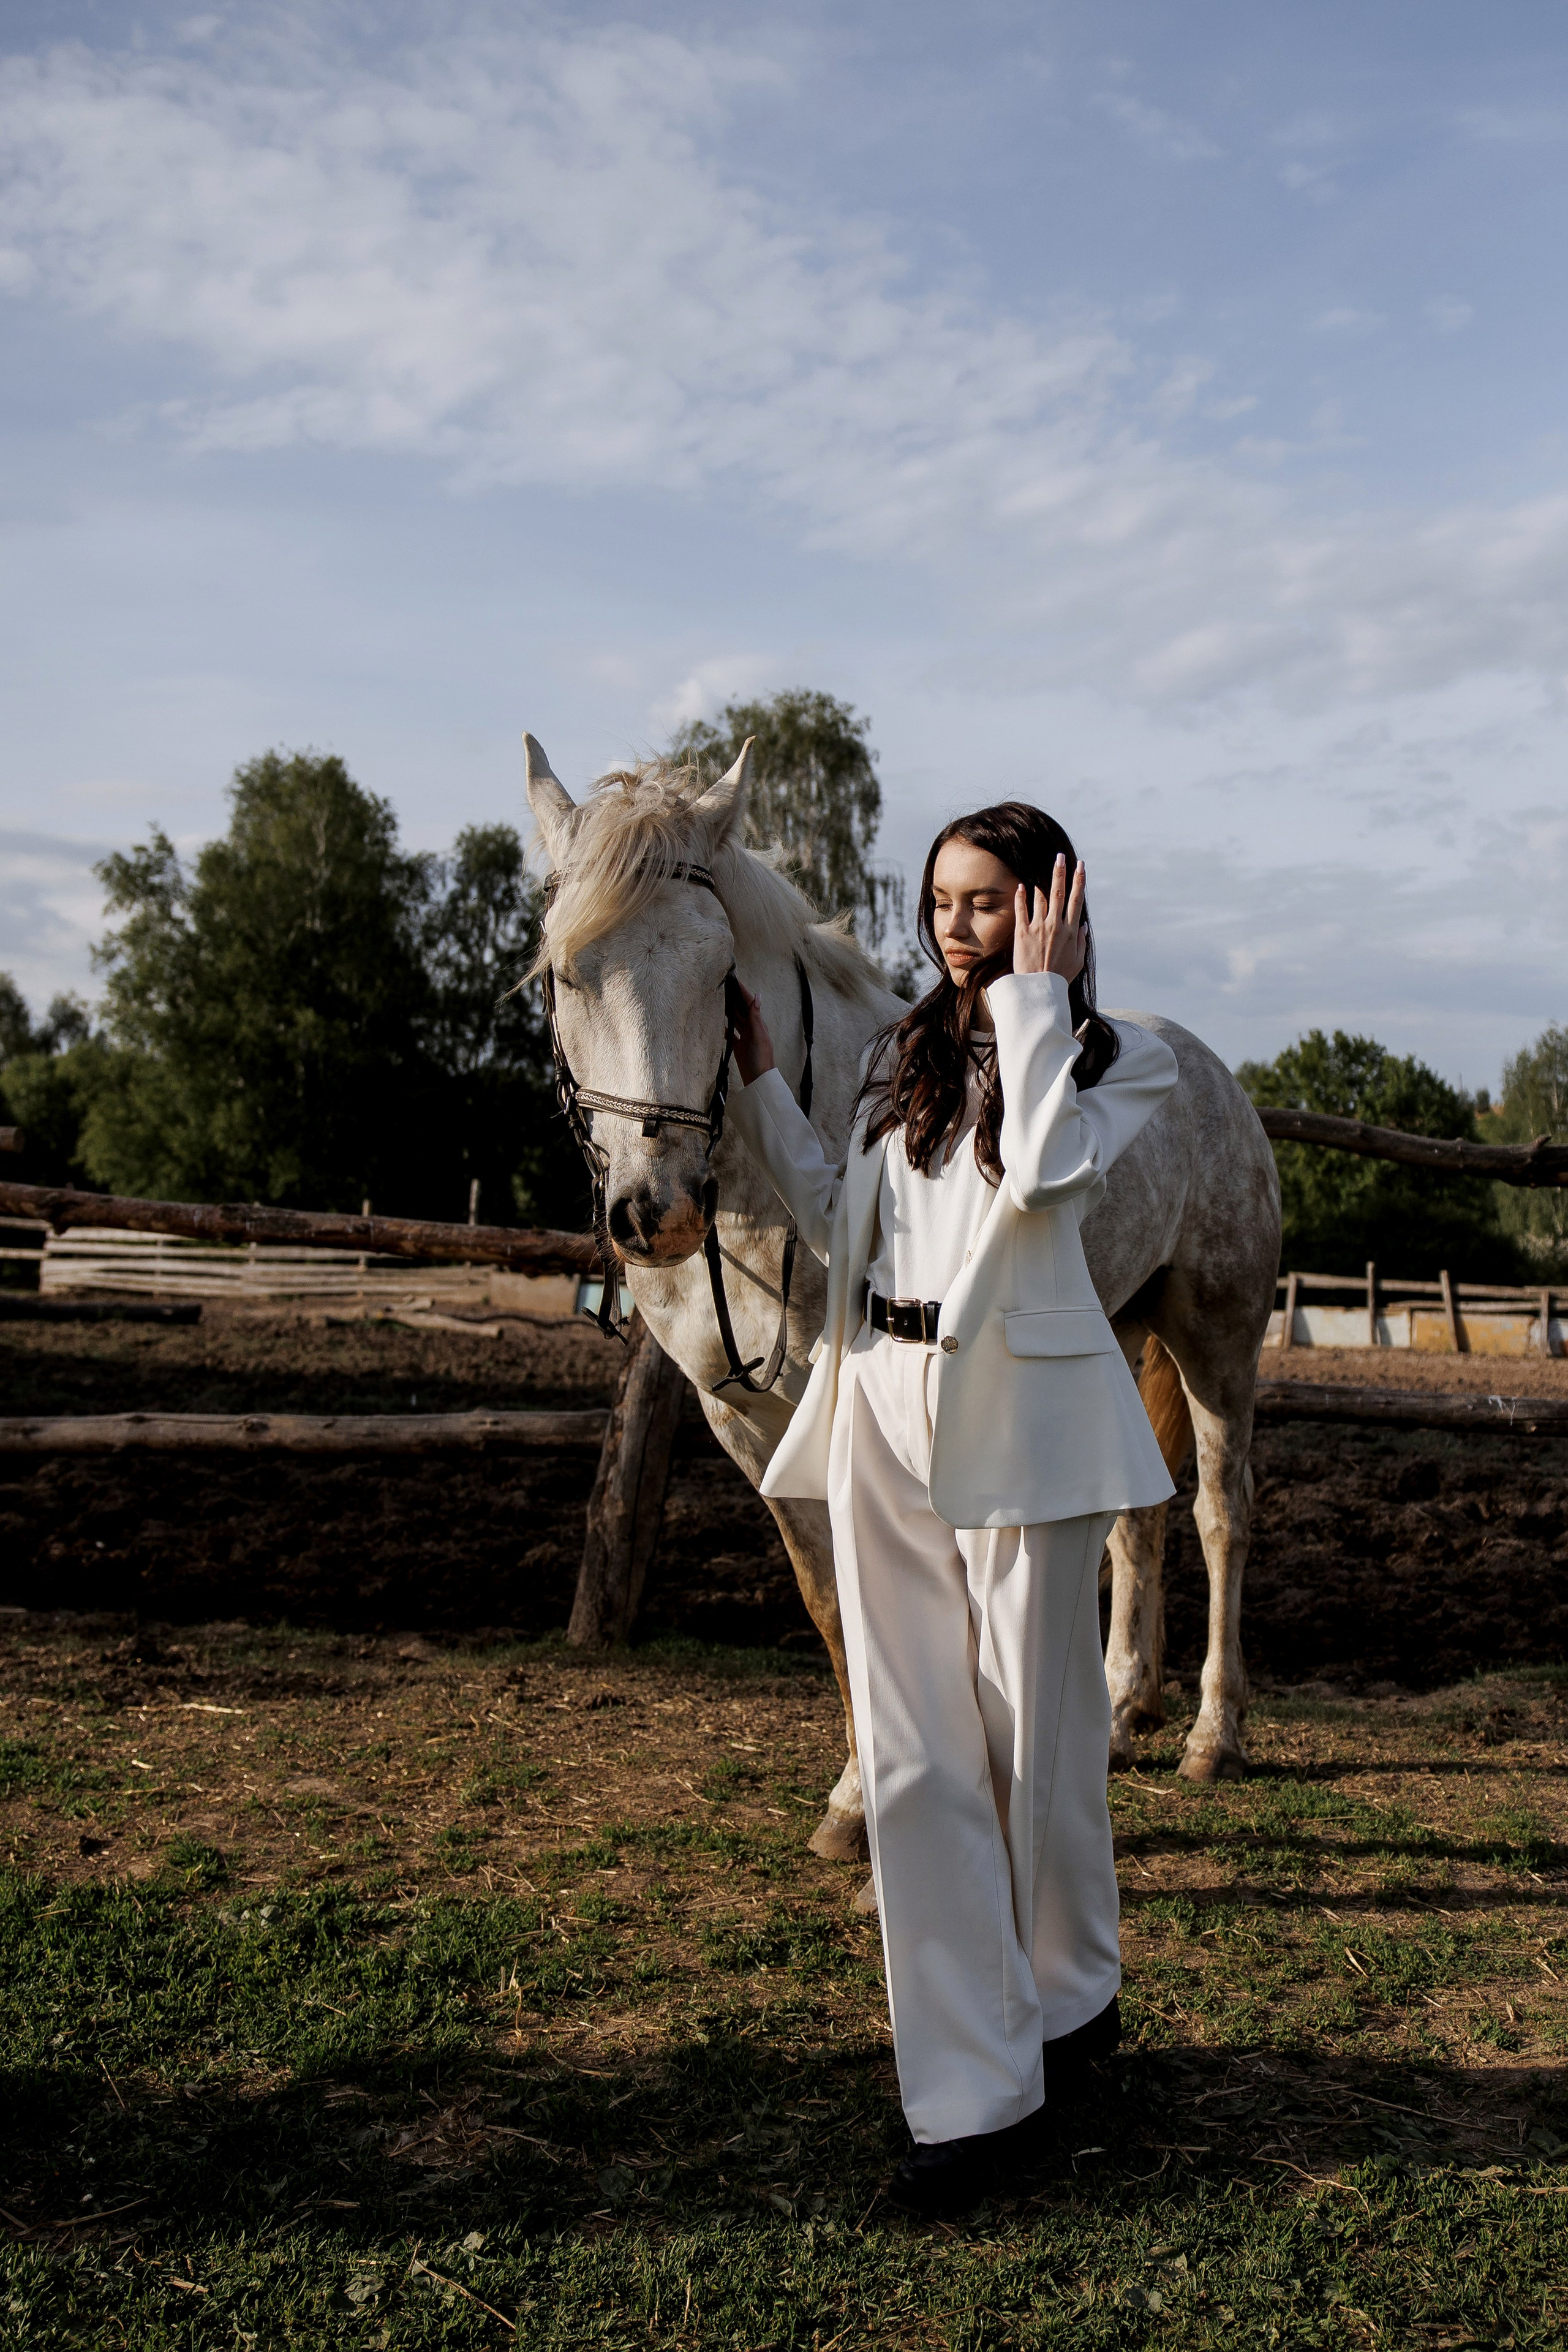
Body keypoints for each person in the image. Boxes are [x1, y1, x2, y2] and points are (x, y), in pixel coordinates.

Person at [726, 801, 1180, 2218]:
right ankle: (978, 2098)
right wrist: (761, 1090)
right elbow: (835, 1222)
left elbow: (1041, 1175)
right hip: (881, 1399)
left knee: (1033, 1748)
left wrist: (1038, 1000)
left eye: (986, 901)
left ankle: (1071, 2000)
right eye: (940, 901)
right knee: (915, 1751)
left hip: (1021, 1429)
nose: (955, 927)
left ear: (1052, 906)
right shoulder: (900, 1057)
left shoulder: (1119, 1058)